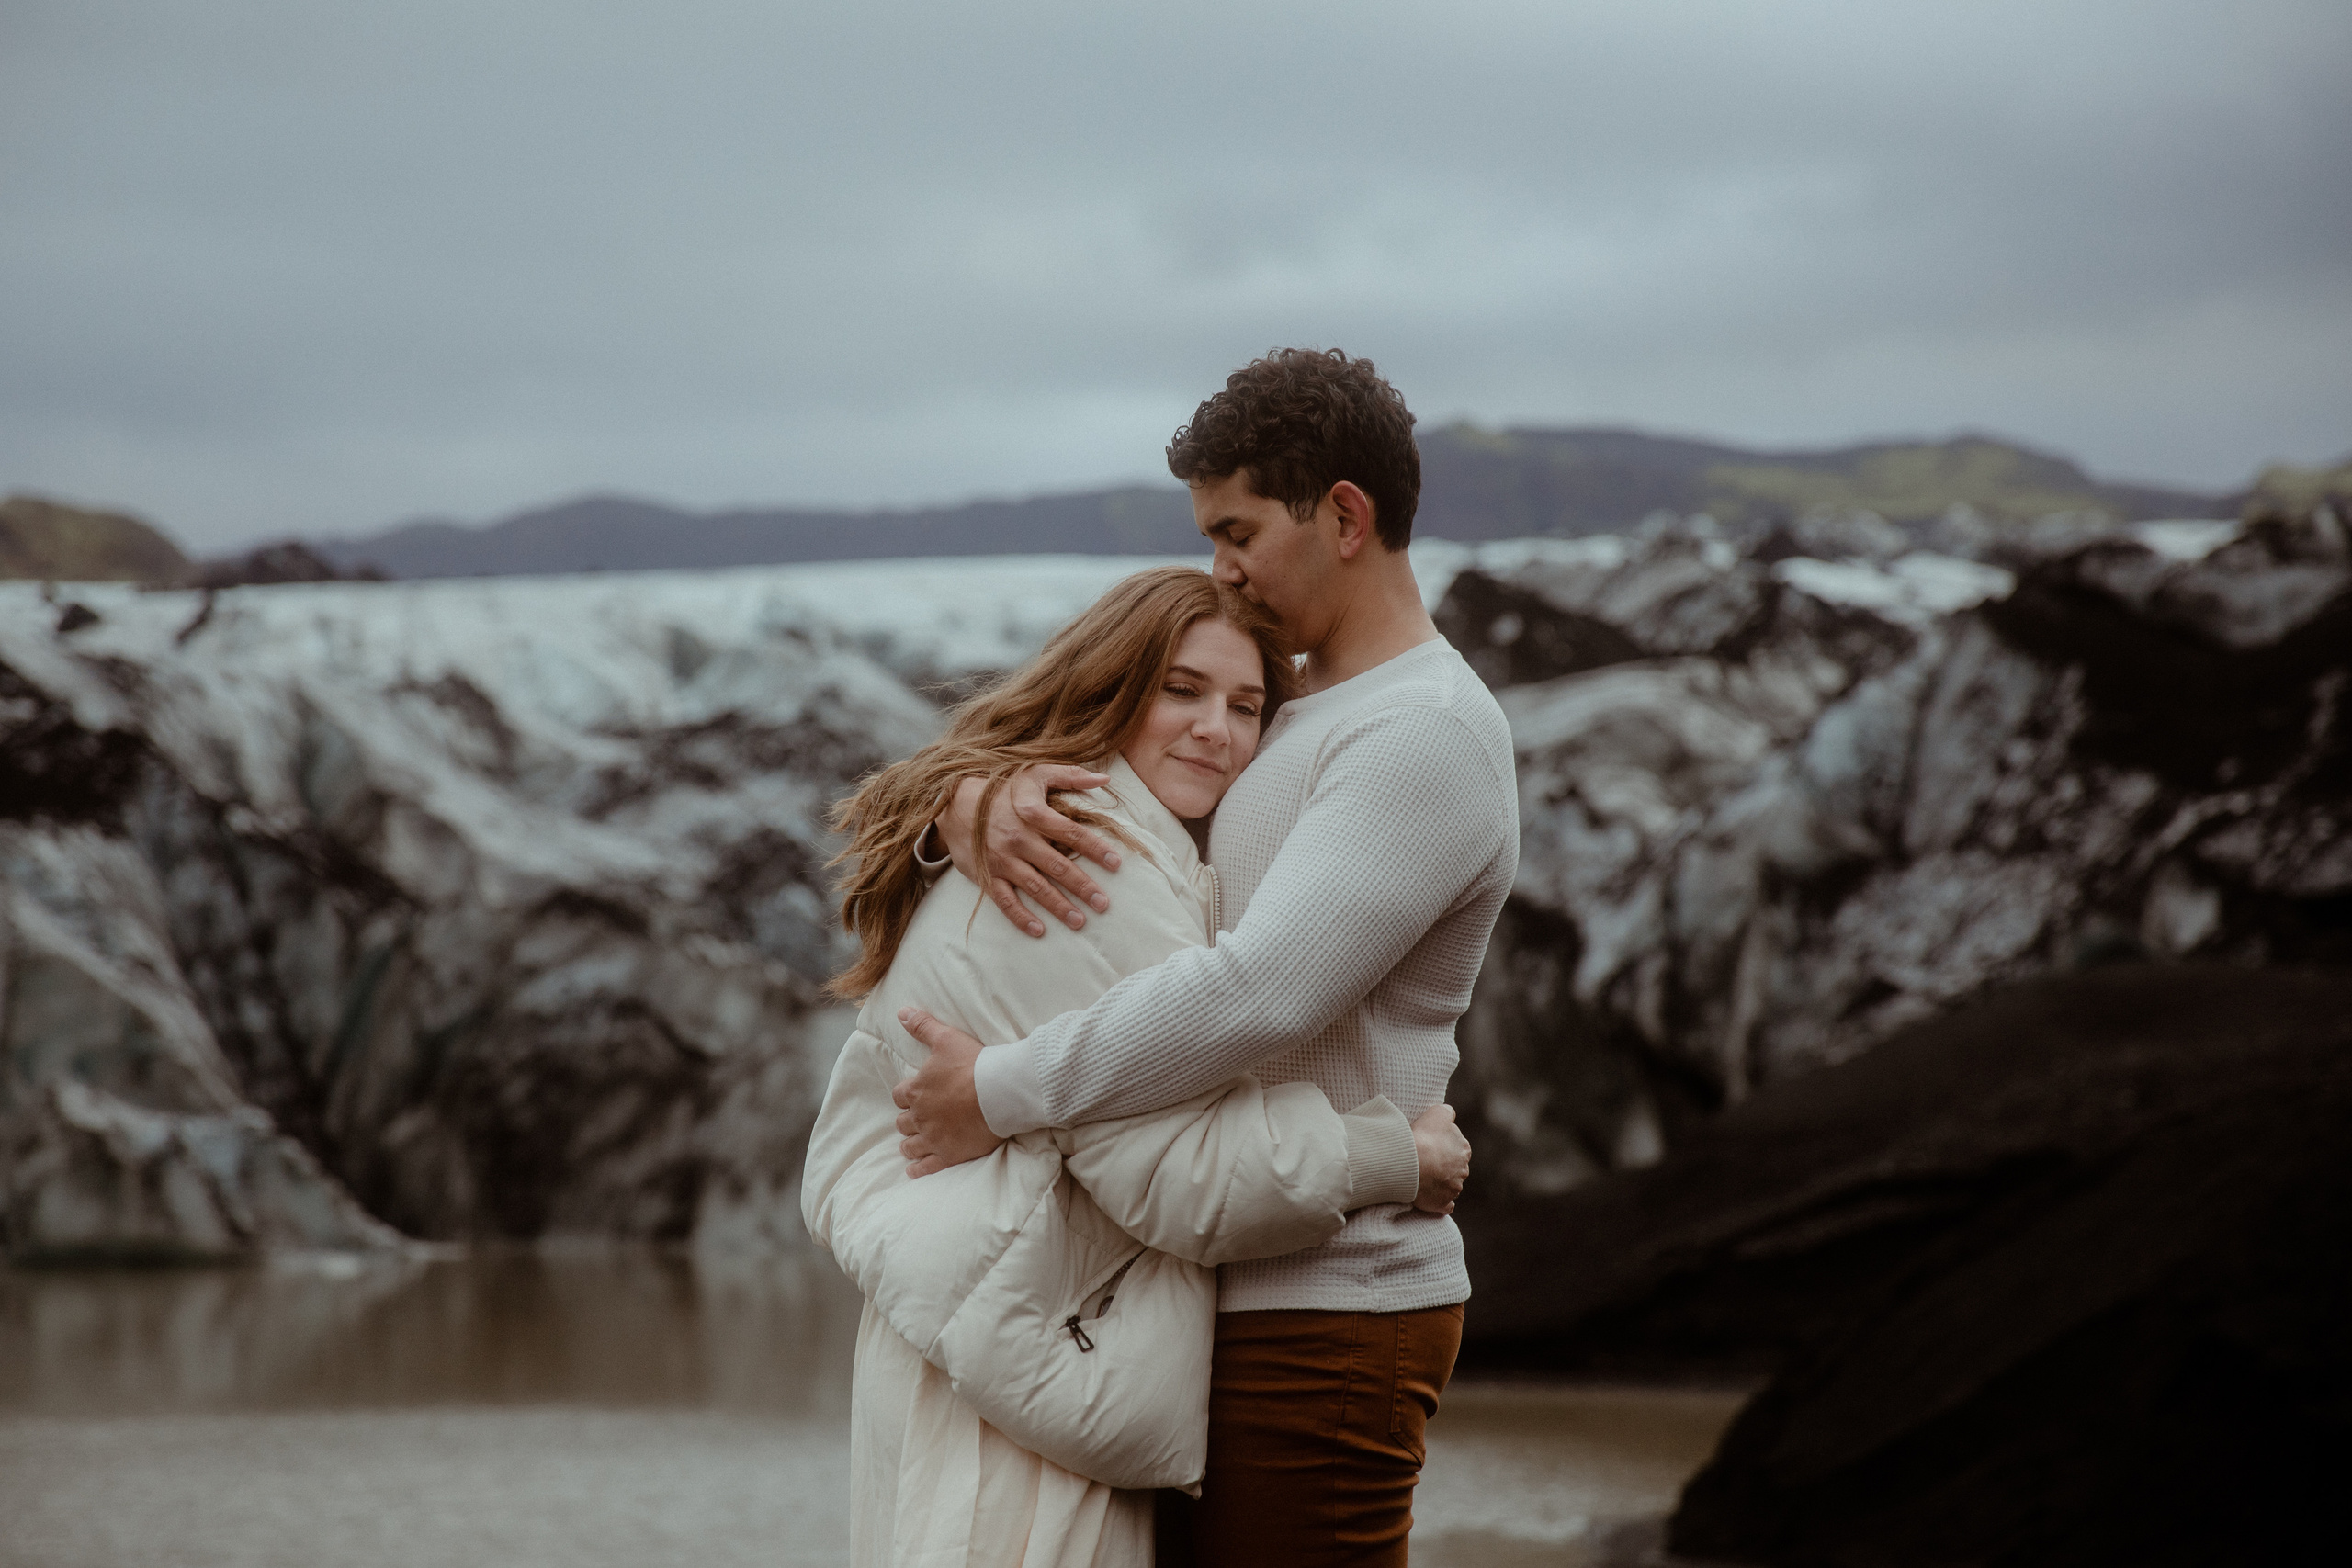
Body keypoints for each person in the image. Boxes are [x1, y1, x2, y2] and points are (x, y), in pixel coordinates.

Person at [892, 348, 1520, 1566]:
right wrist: (974, 799)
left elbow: (1259, 991)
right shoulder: (1285, 699)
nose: (1221, 567)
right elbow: (1148, 844)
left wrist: (997, 1090)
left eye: (1239, 533)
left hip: (1331, 1298)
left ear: (1344, 516)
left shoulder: (1421, 734)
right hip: (1210, 1280)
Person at [801, 565, 1472, 1568]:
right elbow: (1174, 1175)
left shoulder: (1066, 828)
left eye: (1245, 706)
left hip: (989, 1347)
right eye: (1181, 690)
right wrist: (1394, 1156)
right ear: (1109, 687)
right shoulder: (1093, 864)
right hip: (1019, 1389)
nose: (1215, 730)